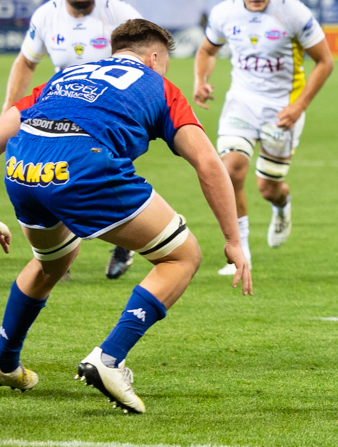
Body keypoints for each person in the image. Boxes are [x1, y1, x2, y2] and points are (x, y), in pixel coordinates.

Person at [0, 20, 251, 413]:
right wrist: (234, 240)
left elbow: (2, 130)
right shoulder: (159, 85)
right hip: (84, 164)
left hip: (22, 166)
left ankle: (3, 357)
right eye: (165, 62)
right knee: (182, 255)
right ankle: (110, 359)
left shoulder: (67, 75)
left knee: (52, 261)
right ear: (154, 57)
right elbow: (208, 162)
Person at [4, 0, 144, 280]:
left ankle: (125, 244)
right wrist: (9, 110)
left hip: (109, 109)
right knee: (54, 171)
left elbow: (146, 60)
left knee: (107, 174)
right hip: (60, 103)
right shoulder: (46, 16)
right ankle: (58, 250)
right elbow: (26, 61)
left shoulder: (120, 14)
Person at [194, 0, 335, 275]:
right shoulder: (224, 13)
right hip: (241, 103)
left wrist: (299, 107)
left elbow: (325, 62)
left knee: (268, 187)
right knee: (230, 171)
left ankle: (282, 206)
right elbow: (206, 50)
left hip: (282, 109)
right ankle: (241, 252)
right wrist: (200, 80)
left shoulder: (293, 12)